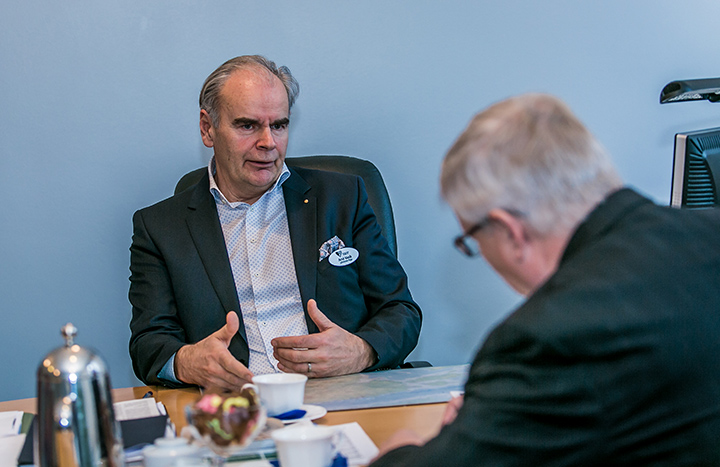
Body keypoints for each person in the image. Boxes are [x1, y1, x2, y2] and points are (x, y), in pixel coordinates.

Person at [372, 94, 720, 466]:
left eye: (472, 241)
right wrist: (495, 422)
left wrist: (404, 449)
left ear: (509, 231)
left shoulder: (552, 336)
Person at [128, 55, 421, 390]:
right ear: (208, 128)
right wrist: (187, 362)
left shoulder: (341, 198)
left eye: (279, 125)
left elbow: (401, 311)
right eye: (247, 125)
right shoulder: (160, 227)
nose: (268, 142)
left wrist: (361, 351)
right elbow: (148, 344)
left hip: (340, 393)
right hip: (234, 406)